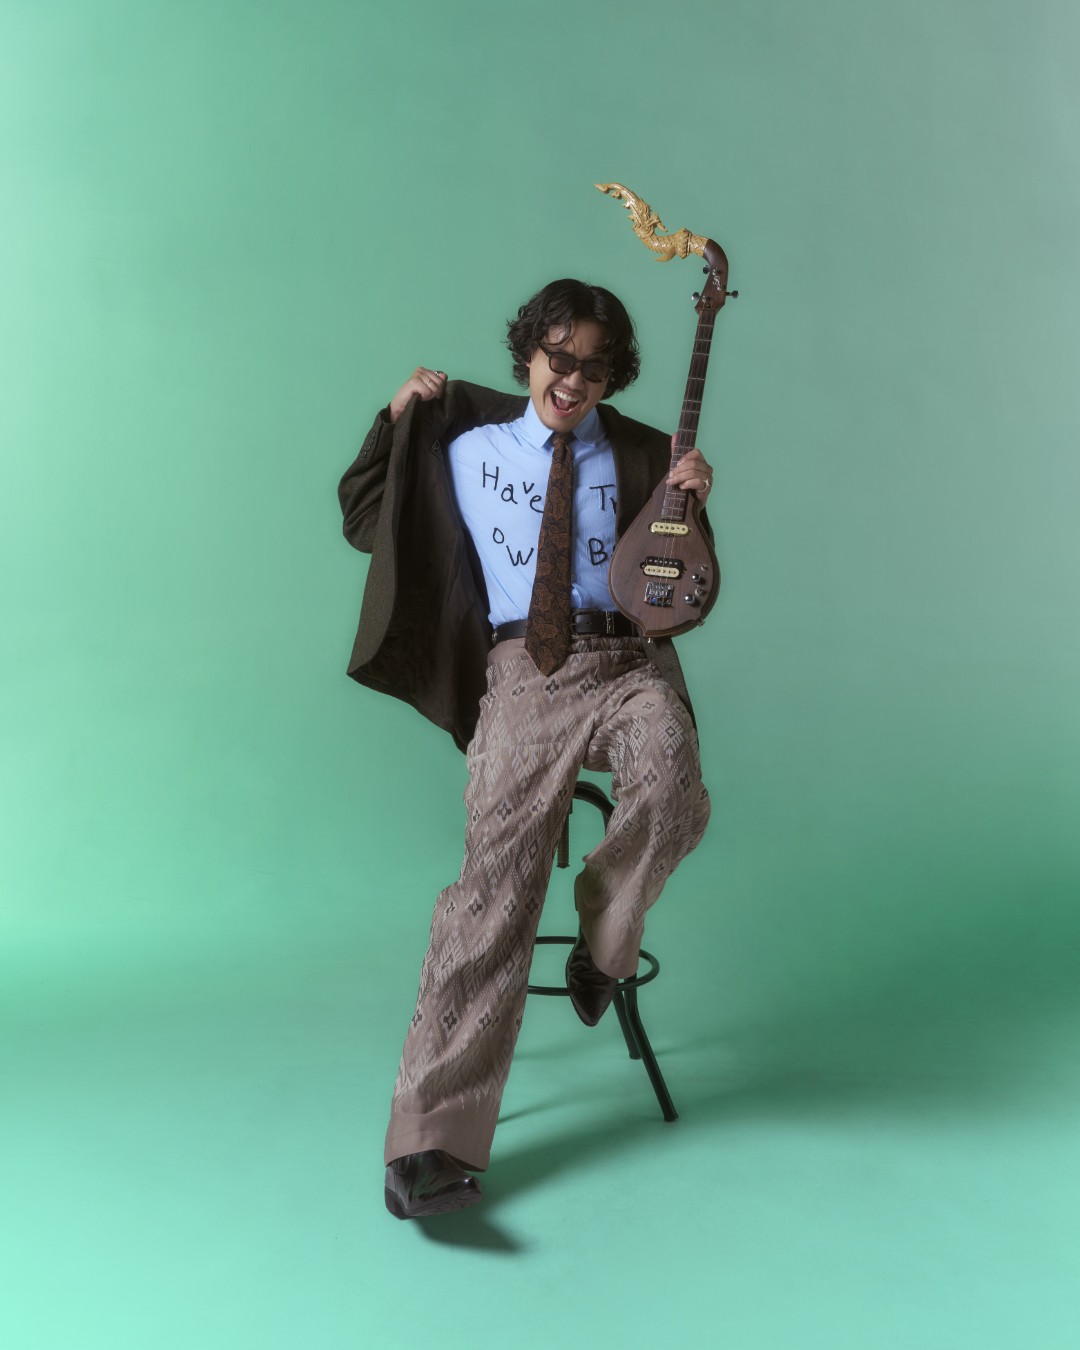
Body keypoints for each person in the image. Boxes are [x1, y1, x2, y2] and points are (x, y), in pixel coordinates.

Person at [338, 278, 714, 1219]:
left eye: (596, 367)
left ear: (613, 377)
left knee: (672, 772)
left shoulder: (644, 453)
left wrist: (694, 506)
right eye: (559, 357)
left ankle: (603, 936)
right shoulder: (466, 447)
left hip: (627, 663)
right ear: (529, 356)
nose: (573, 379)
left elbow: (675, 586)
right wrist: (394, 421)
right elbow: (365, 519)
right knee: (493, 889)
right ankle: (429, 1142)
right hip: (523, 673)